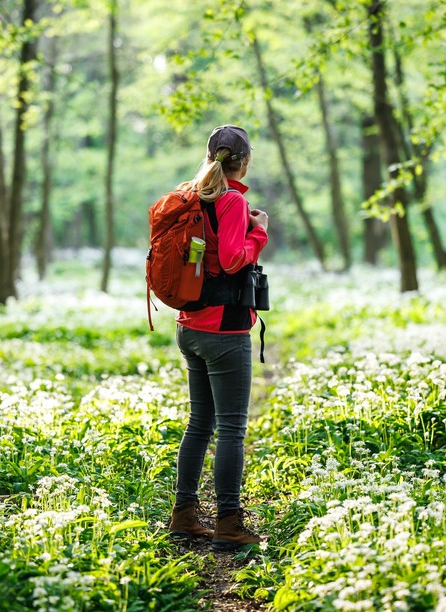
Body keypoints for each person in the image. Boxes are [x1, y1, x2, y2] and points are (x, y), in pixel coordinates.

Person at [167, 125, 269, 551]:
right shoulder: (230, 201)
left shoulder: (192, 194)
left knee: (200, 422)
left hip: (189, 326)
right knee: (230, 428)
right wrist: (258, 232)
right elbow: (230, 260)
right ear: (243, 162)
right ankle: (228, 523)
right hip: (223, 331)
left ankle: (184, 514)